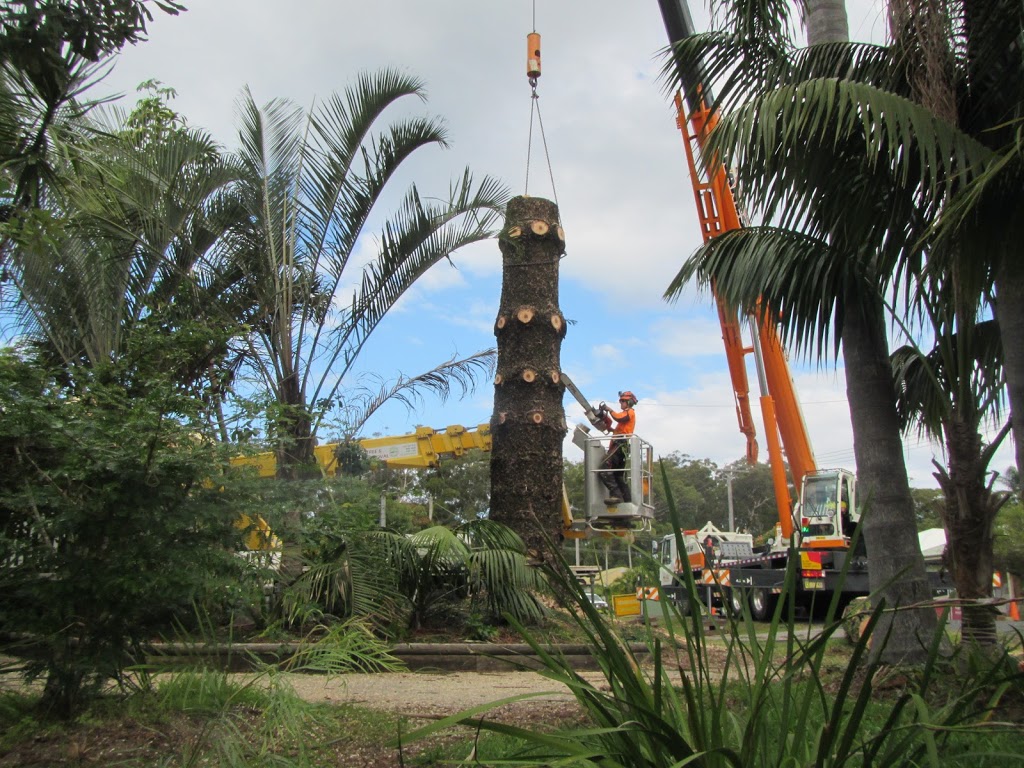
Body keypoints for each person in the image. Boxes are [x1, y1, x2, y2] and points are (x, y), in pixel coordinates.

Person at [599, 390, 637, 504]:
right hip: (621, 445)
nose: (621, 403)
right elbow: (619, 428)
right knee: (617, 474)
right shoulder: (626, 415)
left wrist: (609, 410)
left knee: (603, 468)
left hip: (620, 445)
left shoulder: (629, 412)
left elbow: (619, 418)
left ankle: (616, 495)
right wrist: (610, 428)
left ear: (629, 402)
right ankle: (627, 500)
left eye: (623, 401)